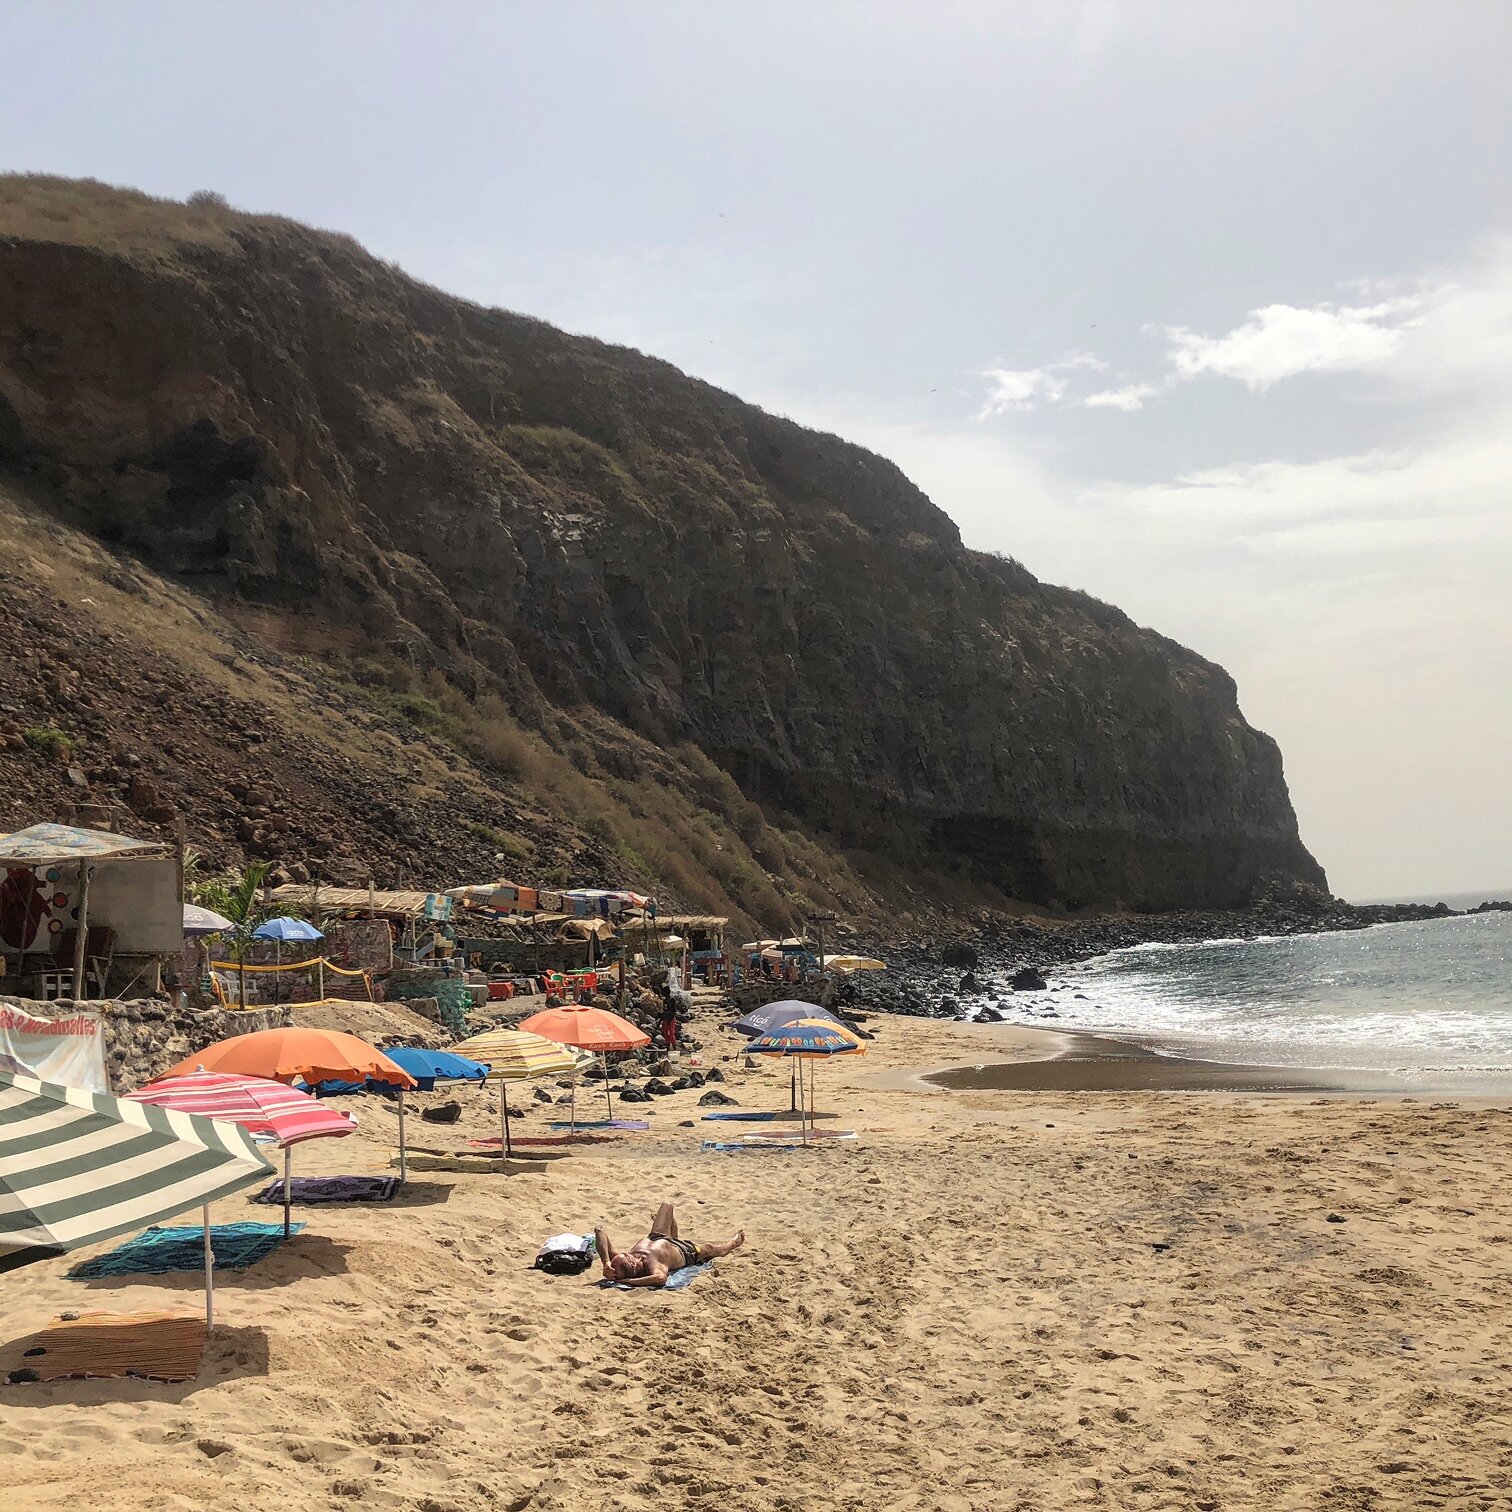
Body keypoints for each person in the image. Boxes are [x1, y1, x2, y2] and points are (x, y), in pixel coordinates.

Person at [594, 1203, 745, 1288]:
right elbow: (661, 1278)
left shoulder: (619, 1262)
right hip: (686, 1251)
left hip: (657, 1236)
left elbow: (600, 1231)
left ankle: (673, 1240)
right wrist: (628, 1282)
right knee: (711, 1249)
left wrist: (606, 1262)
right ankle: (733, 1243)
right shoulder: (651, 1265)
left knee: (667, 1206)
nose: (627, 1253)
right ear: (634, 1265)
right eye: (627, 1256)